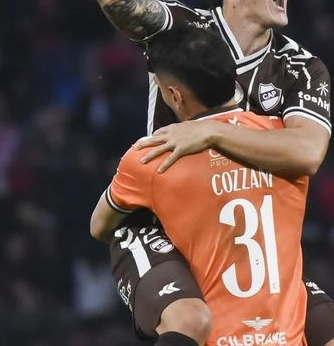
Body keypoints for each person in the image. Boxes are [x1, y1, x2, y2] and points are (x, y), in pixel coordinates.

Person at [94, 0, 334, 346]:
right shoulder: (186, 34)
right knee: (190, 320)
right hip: (162, 230)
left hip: (251, 244)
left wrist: (210, 131)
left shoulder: (301, 68)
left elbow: (307, 152)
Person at [90, 27, 310, 346]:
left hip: (206, 338)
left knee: (128, 231)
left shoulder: (153, 154)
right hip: (287, 339)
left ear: (175, 96)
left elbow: (100, 226)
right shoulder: (285, 142)